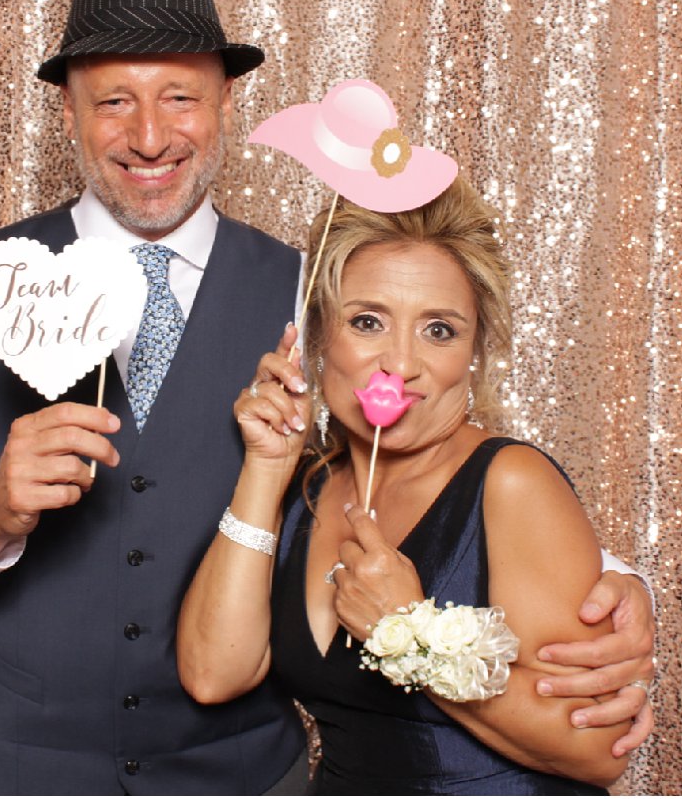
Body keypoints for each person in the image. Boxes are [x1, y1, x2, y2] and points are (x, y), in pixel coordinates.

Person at [0, 0, 655, 795]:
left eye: (180, 96)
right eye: (114, 99)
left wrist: (614, 584)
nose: (149, 134)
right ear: (68, 111)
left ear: (225, 101)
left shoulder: (316, 294)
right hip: (12, 777)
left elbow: (424, 458)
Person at [178, 182, 638, 793]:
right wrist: (266, 468)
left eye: (439, 330)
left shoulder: (511, 483)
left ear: (475, 350)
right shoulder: (308, 488)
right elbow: (213, 673)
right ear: (316, 337)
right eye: (367, 322)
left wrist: (407, 633)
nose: (400, 363)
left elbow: (596, 750)